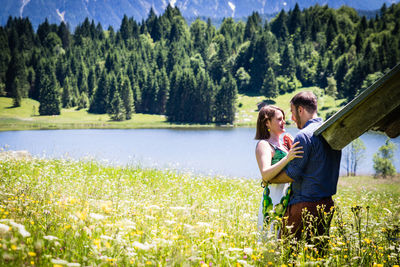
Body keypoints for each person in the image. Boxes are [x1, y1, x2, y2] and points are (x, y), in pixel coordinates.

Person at [268, 91, 342, 250]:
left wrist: (269, 179)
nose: (292, 119)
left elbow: (292, 174)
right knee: (318, 256)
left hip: (304, 205)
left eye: (293, 113)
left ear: (300, 110)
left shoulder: (303, 136)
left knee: (286, 254)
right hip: (326, 204)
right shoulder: (331, 132)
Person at [255, 105, 303, 237]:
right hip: (274, 199)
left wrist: (292, 145)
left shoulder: (284, 144)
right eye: (279, 119)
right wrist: (287, 157)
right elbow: (265, 174)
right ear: (267, 123)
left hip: (288, 199)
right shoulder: (264, 145)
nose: (284, 122)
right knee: (270, 240)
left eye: (284, 119)